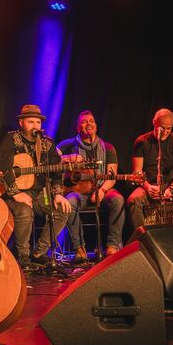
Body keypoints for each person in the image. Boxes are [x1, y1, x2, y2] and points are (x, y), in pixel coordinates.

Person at [0, 104, 72, 269]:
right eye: (31, 122)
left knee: (62, 209)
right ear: (21, 123)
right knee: (24, 210)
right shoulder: (10, 139)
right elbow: (2, 165)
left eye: (38, 122)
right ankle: (23, 257)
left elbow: (56, 171)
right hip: (14, 193)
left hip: (38, 193)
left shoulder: (47, 144)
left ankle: (39, 253)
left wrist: (58, 193)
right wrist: (15, 193)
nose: (35, 126)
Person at [58, 110, 126, 261]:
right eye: (84, 121)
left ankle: (112, 246)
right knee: (69, 202)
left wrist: (102, 191)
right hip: (78, 192)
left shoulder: (108, 148)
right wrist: (67, 157)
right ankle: (79, 248)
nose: (89, 124)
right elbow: (52, 158)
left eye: (92, 121)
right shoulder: (67, 146)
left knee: (118, 199)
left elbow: (111, 176)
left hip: (102, 189)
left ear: (96, 126)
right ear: (77, 128)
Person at [127, 108, 173, 228]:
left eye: (169, 128)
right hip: (149, 184)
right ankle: (143, 239)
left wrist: (172, 188)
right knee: (133, 200)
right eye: (162, 127)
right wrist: (147, 186)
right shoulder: (141, 142)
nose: (166, 131)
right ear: (154, 122)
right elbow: (137, 172)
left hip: (172, 184)